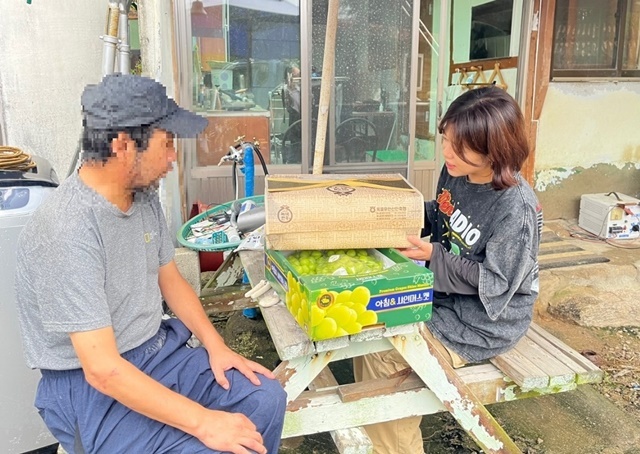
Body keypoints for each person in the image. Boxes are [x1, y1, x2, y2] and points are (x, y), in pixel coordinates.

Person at [14, 74, 287, 454]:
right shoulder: (66, 230)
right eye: (167, 143)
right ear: (123, 145)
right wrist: (204, 422)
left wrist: (216, 345)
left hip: (157, 352)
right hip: (89, 387)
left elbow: (170, 280)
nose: (174, 158)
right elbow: (103, 370)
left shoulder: (142, 199)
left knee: (265, 398)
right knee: (209, 447)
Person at [353, 86, 543, 454]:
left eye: (460, 146)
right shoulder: (457, 171)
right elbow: (441, 214)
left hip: (484, 324)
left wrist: (434, 257)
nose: (447, 153)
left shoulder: (515, 209)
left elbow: (497, 283)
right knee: (367, 327)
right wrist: (394, 217)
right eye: (445, 139)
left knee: (388, 356)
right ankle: (375, 436)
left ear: (496, 149)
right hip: (442, 298)